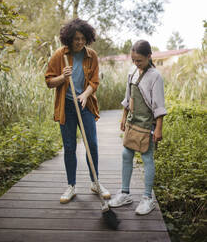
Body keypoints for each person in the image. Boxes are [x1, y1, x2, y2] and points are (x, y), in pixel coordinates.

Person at [45, 18, 110, 203]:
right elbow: (49, 81)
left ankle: (95, 182)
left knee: (92, 144)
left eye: (82, 38)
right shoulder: (60, 55)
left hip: (85, 105)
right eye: (76, 38)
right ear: (69, 39)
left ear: (87, 38)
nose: (79, 42)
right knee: (69, 147)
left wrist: (85, 95)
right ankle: (71, 186)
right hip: (66, 107)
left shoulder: (92, 56)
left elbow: (94, 82)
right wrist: (62, 77)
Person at [108, 40, 167, 215]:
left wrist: (158, 129)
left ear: (149, 56)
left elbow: (159, 106)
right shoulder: (132, 72)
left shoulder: (155, 76)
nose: (136, 63)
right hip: (132, 122)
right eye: (134, 60)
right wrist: (124, 116)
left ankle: (148, 198)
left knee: (147, 158)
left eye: (139, 60)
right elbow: (128, 98)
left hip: (147, 124)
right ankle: (125, 193)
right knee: (126, 154)